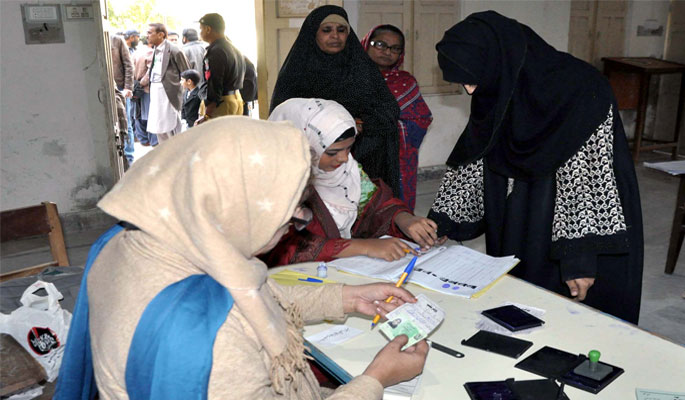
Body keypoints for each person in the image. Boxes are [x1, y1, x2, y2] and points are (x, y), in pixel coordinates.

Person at [54, 117, 428, 399]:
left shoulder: (128, 243)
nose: (295, 224)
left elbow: (240, 296)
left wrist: (346, 297)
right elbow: (228, 320)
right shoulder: (212, 345)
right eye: (292, 213)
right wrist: (374, 380)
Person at [429, 11, 644, 324]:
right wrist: (444, 220)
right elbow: (477, 150)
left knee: (578, 321)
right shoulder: (500, 79)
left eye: (471, 79)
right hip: (519, 215)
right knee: (523, 307)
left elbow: (588, 176)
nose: (471, 91)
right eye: (463, 82)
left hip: (576, 225)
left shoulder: (580, 87)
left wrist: (579, 259)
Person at [265, 98, 444, 266]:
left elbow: (373, 205)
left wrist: (405, 220)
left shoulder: (346, 171)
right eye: (333, 152)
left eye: (349, 148)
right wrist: (363, 247)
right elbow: (284, 249)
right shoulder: (270, 184)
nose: (344, 158)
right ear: (302, 146)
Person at [270, 5, 402, 199]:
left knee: (362, 213)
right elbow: (284, 119)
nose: (335, 36)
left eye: (341, 30)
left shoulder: (361, 68)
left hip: (364, 160)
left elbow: (389, 109)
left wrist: (360, 124)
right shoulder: (297, 73)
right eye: (326, 30)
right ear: (313, 34)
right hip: (314, 165)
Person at [361, 25, 433, 211]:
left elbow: (421, 119)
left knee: (392, 207)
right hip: (357, 154)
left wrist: (387, 128)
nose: (387, 52)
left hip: (395, 158)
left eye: (395, 48)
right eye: (380, 45)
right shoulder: (349, 79)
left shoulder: (406, 82)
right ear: (366, 44)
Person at [145, 23, 190, 142]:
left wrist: (180, 91)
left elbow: (186, 72)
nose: (147, 36)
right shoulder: (155, 49)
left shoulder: (174, 50)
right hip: (156, 93)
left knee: (172, 129)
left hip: (169, 95)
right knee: (159, 128)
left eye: (150, 33)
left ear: (161, 35)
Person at [197, 13, 245, 121]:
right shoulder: (233, 48)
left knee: (215, 137)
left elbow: (215, 83)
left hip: (221, 105)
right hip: (236, 99)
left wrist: (207, 115)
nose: (200, 33)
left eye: (201, 29)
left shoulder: (216, 51)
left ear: (208, 29)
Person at [110, 34, 135, 165]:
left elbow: (129, 65)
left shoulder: (117, 40)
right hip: (107, 87)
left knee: (127, 123)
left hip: (120, 88)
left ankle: (129, 158)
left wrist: (128, 87)